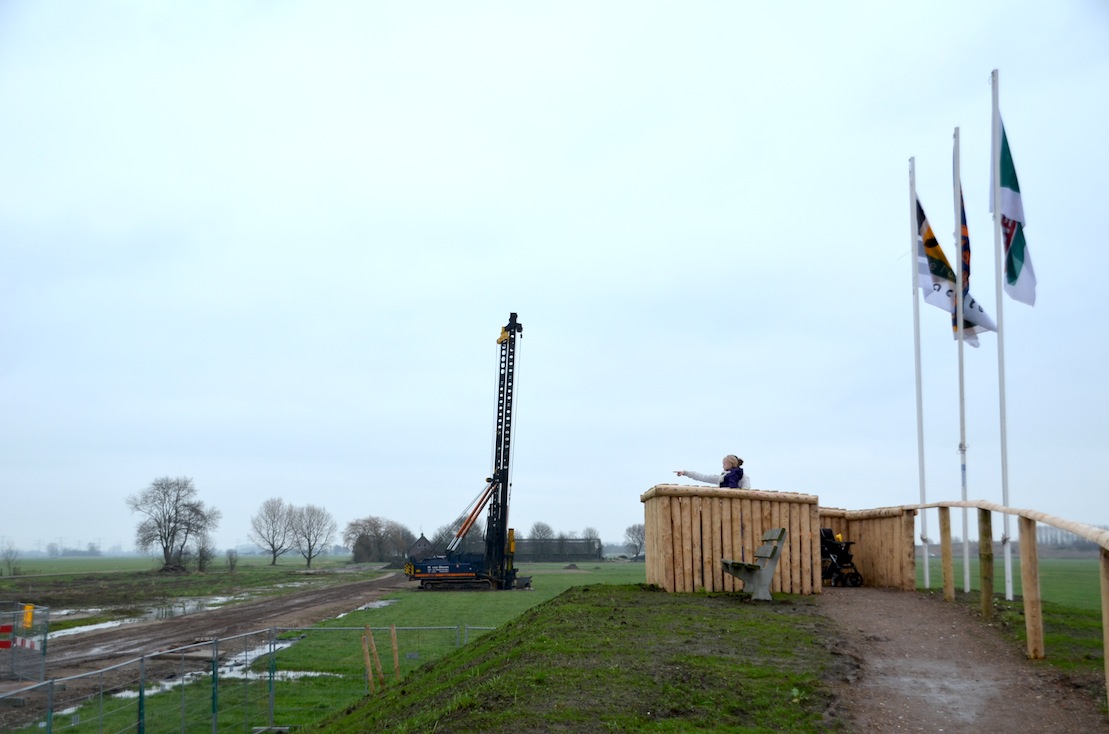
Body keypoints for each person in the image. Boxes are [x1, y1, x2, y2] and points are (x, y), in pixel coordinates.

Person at [674, 455, 751, 489]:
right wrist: (686, 473)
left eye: (724, 464)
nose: (722, 466)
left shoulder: (744, 477)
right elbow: (703, 477)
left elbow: (746, 490)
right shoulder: (722, 477)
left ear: (730, 464)